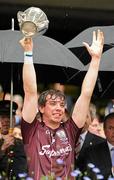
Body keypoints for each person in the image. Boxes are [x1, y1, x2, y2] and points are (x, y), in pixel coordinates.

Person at [19, 29, 104, 179]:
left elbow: (85, 94)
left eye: (61, 104)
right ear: (41, 108)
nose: (59, 107)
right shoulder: (31, 130)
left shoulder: (70, 130)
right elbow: (30, 91)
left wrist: (95, 60)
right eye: (53, 103)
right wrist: (28, 54)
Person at [76, 112, 114, 179]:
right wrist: (111, 171)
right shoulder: (92, 152)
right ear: (104, 131)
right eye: (110, 128)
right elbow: (90, 174)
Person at [0, 100, 28, 179]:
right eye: (2, 117)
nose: (6, 120)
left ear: (14, 120)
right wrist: (2, 149)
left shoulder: (21, 143)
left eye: (9, 117)